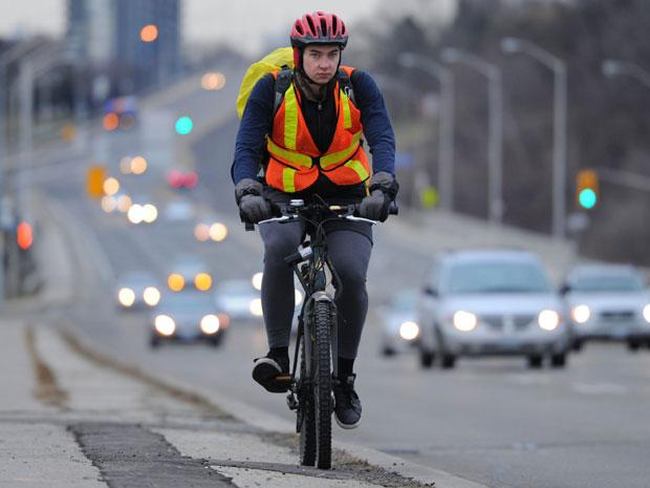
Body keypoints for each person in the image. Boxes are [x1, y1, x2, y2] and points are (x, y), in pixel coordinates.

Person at [232, 11, 398, 429]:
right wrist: (248, 192)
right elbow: (246, 148)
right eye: (315, 54)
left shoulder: (358, 86)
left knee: (351, 273)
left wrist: (381, 186)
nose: (324, 63)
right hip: (283, 193)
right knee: (279, 248)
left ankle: (343, 379)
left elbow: (382, 135)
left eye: (331, 54)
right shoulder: (272, 89)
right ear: (298, 55)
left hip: (347, 193)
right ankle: (277, 355)